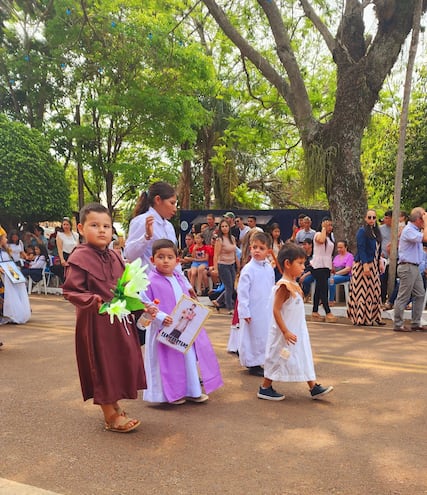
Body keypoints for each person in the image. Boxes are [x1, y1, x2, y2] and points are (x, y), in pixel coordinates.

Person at [62, 203, 146, 433]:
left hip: (119, 321)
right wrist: (94, 301)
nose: (102, 230)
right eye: (94, 225)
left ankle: (114, 405)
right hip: (96, 324)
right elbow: (71, 290)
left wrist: (140, 306)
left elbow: (125, 286)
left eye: (107, 226)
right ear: (81, 228)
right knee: (102, 364)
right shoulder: (80, 256)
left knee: (118, 362)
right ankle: (109, 415)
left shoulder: (115, 256)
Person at [142, 239, 223, 404]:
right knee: (165, 362)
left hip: (182, 328)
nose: (165, 260)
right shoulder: (150, 280)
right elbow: (145, 303)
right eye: (161, 257)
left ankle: (191, 390)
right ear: (152, 260)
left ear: (177, 260)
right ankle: (165, 395)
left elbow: (186, 297)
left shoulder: (179, 277)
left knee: (188, 358)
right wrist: (160, 317)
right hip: (162, 329)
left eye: (170, 257)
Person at [257, 243, 334, 401]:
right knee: (278, 358)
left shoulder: (293, 284)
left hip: (297, 331)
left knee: (303, 356)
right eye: (299, 263)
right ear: (287, 264)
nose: (302, 267)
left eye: (303, 264)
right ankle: (265, 387)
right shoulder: (284, 287)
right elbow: (276, 310)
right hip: (284, 333)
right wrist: (285, 331)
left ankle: (313, 386)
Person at [124, 182, 192, 289]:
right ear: (158, 200)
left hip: (168, 284)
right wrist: (146, 237)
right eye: (172, 203)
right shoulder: (141, 221)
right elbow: (129, 254)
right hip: (147, 285)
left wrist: (186, 286)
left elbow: (173, 259)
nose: (175, 209)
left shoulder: (169, 226)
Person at [237, 232, 275, 377]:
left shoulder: (268, 268)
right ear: (250, 249)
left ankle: (261, 359)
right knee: (252, 336)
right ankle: (252, 362)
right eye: (254, 247)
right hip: (252, 309)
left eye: (261, 248)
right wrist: (245, 311)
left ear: (268, 251)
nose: (257, 250)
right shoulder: (248, 269)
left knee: (263, 335)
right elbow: (243, 293)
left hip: (265, 309)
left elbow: (271, 286)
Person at [347, 209, 385, 326]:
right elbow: (361, 248)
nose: (372, 220)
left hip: (374, 264)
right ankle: (360, 318)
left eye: (374, 217)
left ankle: (373, 317)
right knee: (361, 292)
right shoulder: (362, 231)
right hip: (363, 265)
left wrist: (379, 262)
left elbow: (378, 250)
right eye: (369, 217)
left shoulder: (376, 232)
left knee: (374, 291)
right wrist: (365, 265)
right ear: (365, 218)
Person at [393, 207, 427, 332]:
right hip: (407, 267)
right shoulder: (408, 230)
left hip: (414, 267)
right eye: (422, 218)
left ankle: (416, 322)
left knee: (420, 294)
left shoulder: (415, 230)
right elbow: (425, 238)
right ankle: (398, 324)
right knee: (403, 296)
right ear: (418, 219)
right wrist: (426, 221)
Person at [0, 233, 31, 325]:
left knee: (11, 293)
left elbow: (8, 263)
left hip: (7, 274)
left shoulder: (5, 251)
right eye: (4, 237)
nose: (6, 239)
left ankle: (10, 313)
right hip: (2, 276)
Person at [310, 217, 337, 322]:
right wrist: (323, 229)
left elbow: (329, 253)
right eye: (328, 225)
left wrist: (332, 266)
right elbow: (321, 240)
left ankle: (315, 311)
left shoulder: (330, 238)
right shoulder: (318, 234)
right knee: (324, 289)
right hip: (318, 265)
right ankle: (328, 312)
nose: (330, 227)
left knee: (319, 288)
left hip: (326, 265)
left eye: (331, 225)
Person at [213, 219, 240, 313]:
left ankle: (218, 300)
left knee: (232, 286)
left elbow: (235, 252)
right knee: (228, 286)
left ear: (229, 227)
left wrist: (238, 265)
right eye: (222, 226)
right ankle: (230, 307)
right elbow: (216, 255)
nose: (224, 228)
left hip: (231, 264)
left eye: (226, 226)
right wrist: (215, 268)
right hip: (223, 265)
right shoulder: (219, 240)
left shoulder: (232, 238)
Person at [54, 217, 80, 283]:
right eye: (64, 224)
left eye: (67, 224)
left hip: (74, 256)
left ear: (70, 225)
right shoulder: (60, 235)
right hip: (65, 255)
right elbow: (59, 248)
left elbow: (78, 246)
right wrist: (62, 259)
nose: (65, 226)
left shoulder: (75, 235)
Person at [328, 240, 354, 306]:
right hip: (335, 275)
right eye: (338, 248)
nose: (339, 249)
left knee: (331, 280)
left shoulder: (349, 256)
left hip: (346, 276)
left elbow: (348, 269)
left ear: (346, 247)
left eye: (341, 247)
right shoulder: (336, 257)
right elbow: (333, 267)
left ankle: (331, 300)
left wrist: (337, 273)